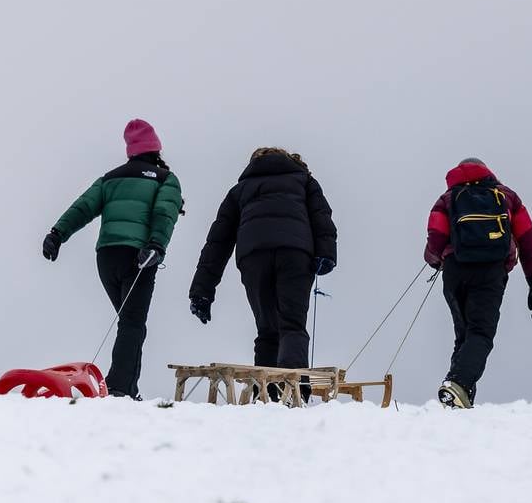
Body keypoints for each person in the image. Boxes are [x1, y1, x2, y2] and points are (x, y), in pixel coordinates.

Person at [42, 119, 184, 400]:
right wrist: (156, 244)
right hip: (140, 255)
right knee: (132, 323)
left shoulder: (110, 178)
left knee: (129, 322)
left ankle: (127, 387)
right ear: (156, 148)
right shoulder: (165, 179)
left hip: (107, 256)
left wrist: (57, 234)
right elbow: (165, 214)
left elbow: (83, 207)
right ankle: (120, 387)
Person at [188, 147, 337, 401]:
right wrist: (326, 254)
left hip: (253, 257)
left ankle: (267, 394)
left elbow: (218, 242)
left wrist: (202, 291)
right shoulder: (305, 182)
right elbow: (322, 218)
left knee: (267, 328)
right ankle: (293, 393)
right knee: (292, 324)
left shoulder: (240, 191)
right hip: (295, 254)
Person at [425, 158, 532, 408]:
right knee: (480, 332)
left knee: (465, 334)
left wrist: (434, 260)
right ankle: (458, 383)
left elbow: (436, 236)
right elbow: (528, 238)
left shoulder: (447, 198)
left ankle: (458, 394)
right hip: (491, 271)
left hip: (455, 270)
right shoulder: (506, 196)